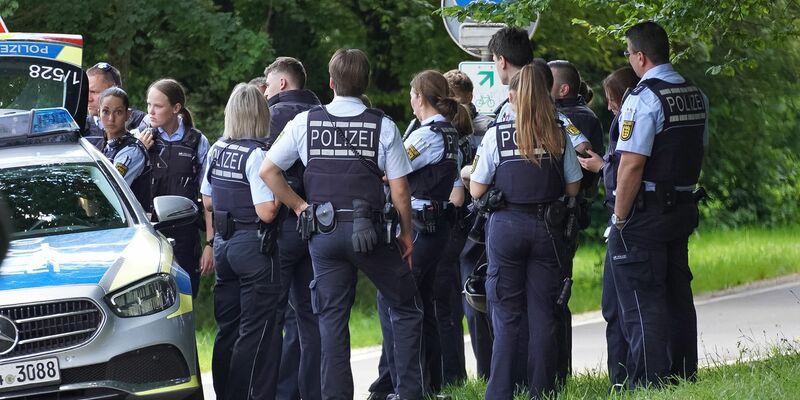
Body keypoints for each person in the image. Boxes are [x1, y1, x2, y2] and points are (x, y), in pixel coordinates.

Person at [260, 48, 424, 400]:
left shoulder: (305, 122)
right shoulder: (383, 124)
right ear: (364, 82)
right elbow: (400, 189)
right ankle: (410, 393)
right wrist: (407, 234)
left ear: (331, 83)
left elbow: (268, 171)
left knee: (331, 323)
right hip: (372, 234)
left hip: (324, 233)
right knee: (406, 307)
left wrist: (301, 207)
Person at [604, 21, 708, 389]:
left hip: (645, 213)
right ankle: (683, 377)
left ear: (641, 56)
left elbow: (631, 164)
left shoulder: (643, 97)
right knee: (678, 296)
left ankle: (649, 385)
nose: (630, 61)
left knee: (640, 300)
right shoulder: (694, 93)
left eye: (630, 55)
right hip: (681, 207)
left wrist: (619, 219)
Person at [469, 64, 582, 400]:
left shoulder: (496, 135)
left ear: (515, 96)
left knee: (505, 313)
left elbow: (476, 190)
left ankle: (500, 391)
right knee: (544, 313)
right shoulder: (558, 133)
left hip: (506, 227)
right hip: (548, 228)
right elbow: (574, 185)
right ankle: (542, 391)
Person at [367, 70, 463, 398]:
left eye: (411, 93)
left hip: (421, 226)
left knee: (395, 302)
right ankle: (429, 383)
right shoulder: (448, 132)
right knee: (421, 304)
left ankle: (403, 388)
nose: (410, 98)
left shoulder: (426, 135)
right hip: (437, 227)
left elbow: (390, 171)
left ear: (420, 97)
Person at [201, 83, 281, 399]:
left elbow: (207, 201)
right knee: (256, 332)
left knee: (227, 330)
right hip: (252, 247)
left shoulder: (217, 149)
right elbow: (266, 213)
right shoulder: (257, 154)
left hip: (223, 245)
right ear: (260, 115)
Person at [262, 56, 323, 400]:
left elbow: (263, 171)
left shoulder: (271, 116)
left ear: (282, 83)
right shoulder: (324, 114)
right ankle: (308, 392)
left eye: (269, 84)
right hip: (319, 226)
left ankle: (276, 393)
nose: (266, 91)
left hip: (284, 223)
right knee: (310, 316)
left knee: (272, 317)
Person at [578, 66, 640, 388]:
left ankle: (623, 378)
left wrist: (602, 165)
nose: (610, 105)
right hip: (624, 218)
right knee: (616, 306)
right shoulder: (626, 115)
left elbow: (623, 169)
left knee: (617, 306)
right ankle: (624, 377)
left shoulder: (628, 118)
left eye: (612, 98)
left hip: (624, 220)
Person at [141, 78, 210, 298]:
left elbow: (209, 197)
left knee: (187, 297)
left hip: (186, 234)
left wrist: (210, 243)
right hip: (149, 233)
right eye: (148, 104)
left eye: (158, 106)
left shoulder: (197, 141)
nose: (151, 111)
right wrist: (139, 150)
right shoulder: (140, 138)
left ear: (176, 108)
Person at [487, 28, 591, 155]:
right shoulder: (552, 112)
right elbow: (583, 147)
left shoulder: (506, 110)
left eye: (494, 61)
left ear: (502, 61)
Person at [98, 87, 151, 207]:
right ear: (98, 113)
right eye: (106, 111)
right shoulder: (106, 146)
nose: (111, 119)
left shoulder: (132, 151)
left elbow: (109, 190)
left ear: (128, 115)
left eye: (118, 112)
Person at [85, 62, 147, 150]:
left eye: (94, 92)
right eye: (86, 91)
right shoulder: (79, 127)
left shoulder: (142, 123)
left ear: (114, 90)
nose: (88, 99)